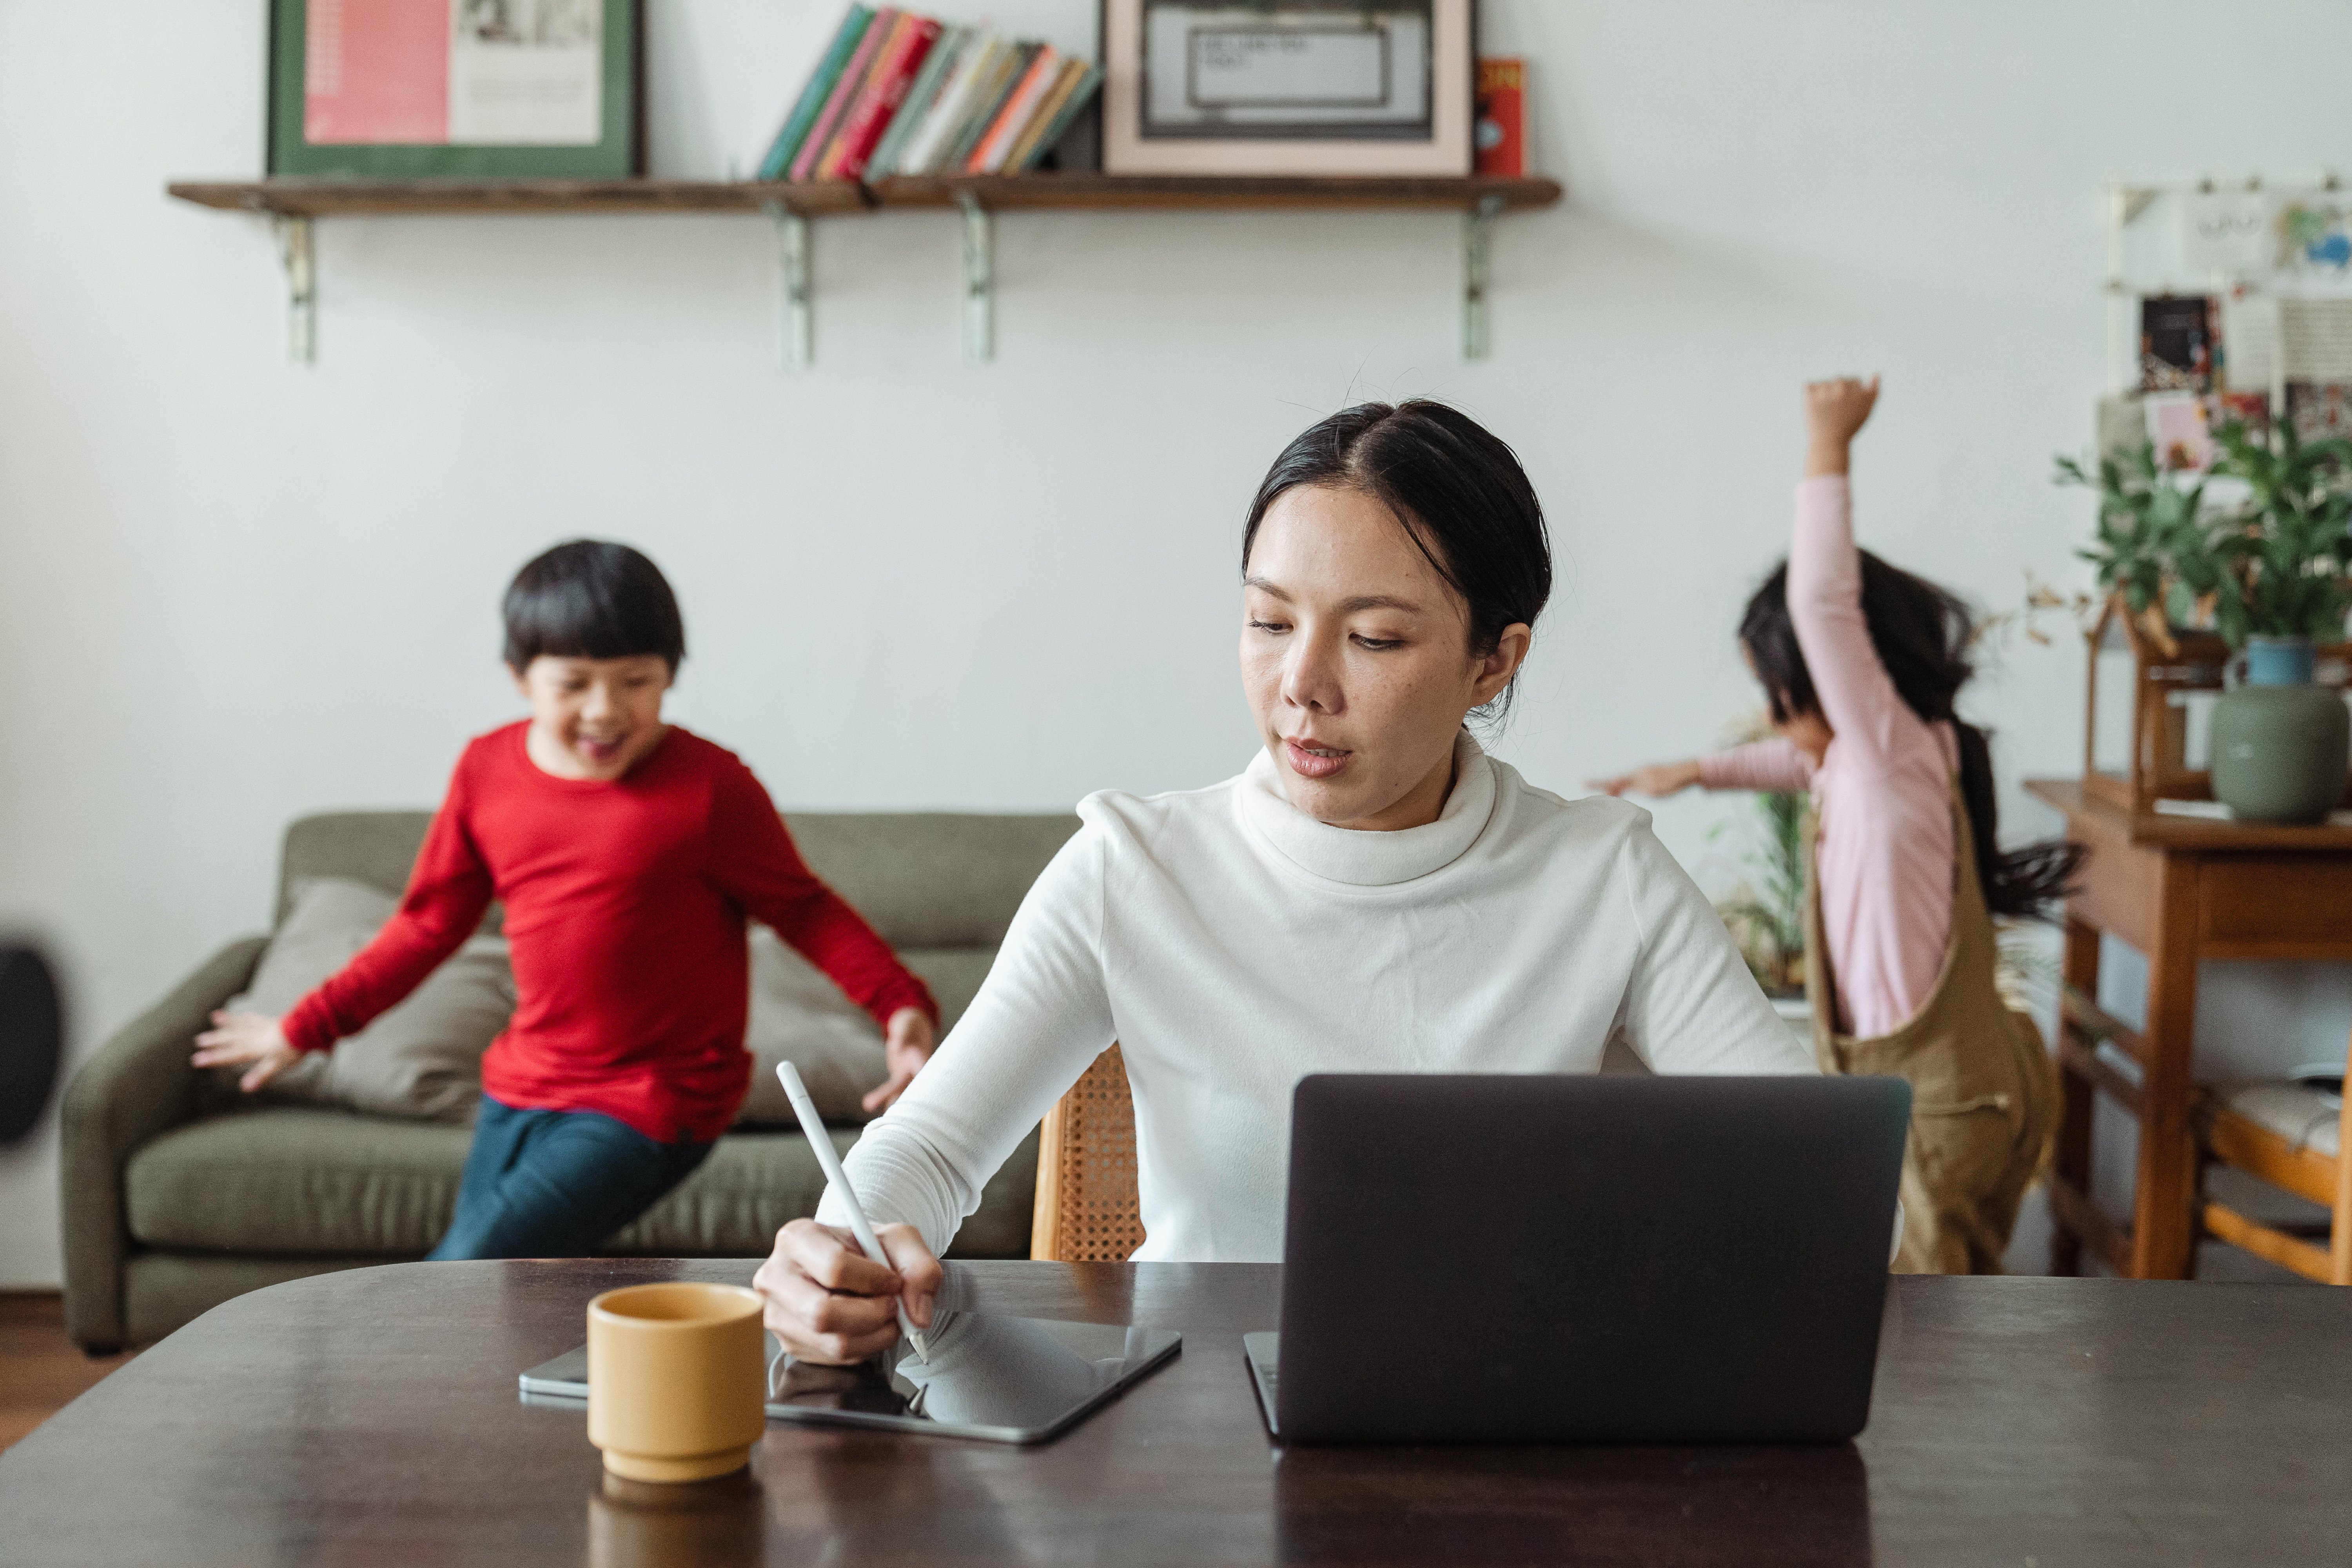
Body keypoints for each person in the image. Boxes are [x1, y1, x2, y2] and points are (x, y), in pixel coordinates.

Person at [755, 401, 1816, 1365]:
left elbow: (1807, 1170)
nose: (1302, 685)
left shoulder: (1602, 875)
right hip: (1196, 1444)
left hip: (1514, 1426)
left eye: (1374, 638)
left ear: (1495, 662)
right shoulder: (1134, 869)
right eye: (1270, 622)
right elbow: (932, 1148)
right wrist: (842, 1249)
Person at [194, 540, 941, 1260]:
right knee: (499, 1297)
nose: (606, 709)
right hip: (522, 1083)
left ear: (671, 676)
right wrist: (306, 1028)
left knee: (461, 1275)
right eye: (574, 683)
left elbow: (804, 909)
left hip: (657, 1099)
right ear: (522, 676)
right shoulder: (486, 771)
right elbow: (427, 925)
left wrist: (898, 1006)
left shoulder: (711, 787)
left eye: (636, 681)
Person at [1592, 377, 2078, 1275]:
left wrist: (1828, 444)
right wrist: (1695, 770)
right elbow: (1796, 762)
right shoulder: (1889, 762)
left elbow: (1820, 602)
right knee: (1916, 1311)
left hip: (1940, 1106)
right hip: (1945, 1088)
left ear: (1837, 679)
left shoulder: (1887, 747)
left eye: (1778, 697)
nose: (1775, 723)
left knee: (1927, 1328)